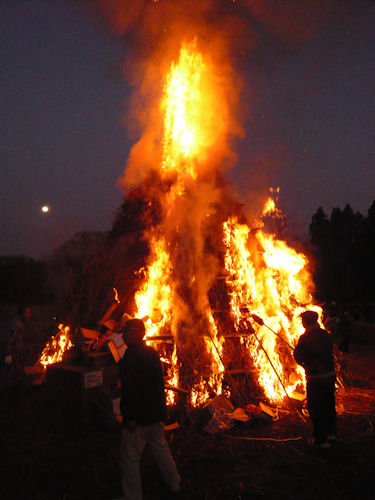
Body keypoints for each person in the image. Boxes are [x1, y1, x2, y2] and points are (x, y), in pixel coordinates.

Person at [118, 318, 180, 500]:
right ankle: (175, 484)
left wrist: (128, 417)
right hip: (155, 414)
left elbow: (130, 391)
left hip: (139, 419)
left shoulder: (129, 357)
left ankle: (132, 496)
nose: (123, 336)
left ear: (136, 333)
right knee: (161, 450)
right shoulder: (152, 353)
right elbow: (159, 385)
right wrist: (162, 411)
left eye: (126, 332)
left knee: (129, 458)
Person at [294, 310, 337, 448]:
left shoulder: (305, 337)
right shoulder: (325, 334)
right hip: (329, 375)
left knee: (315, 407)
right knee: (329, 405)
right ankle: (332, 433)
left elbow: (299, 357)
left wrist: (306, 364)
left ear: (306, 322)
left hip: (316, 377)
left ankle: (321, 439)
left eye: (302, 320)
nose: (301, 322)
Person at [1, 304, 31, 396]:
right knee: (9, 376)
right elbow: (9, 339)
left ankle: (12, 395)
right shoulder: (16, 324)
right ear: (23, 313)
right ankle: (7, 397)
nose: (29, 315)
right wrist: (8, 354)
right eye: (28, 313)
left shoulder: (20, 323)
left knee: (15, 375)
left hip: (14, 354)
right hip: (11, 355)